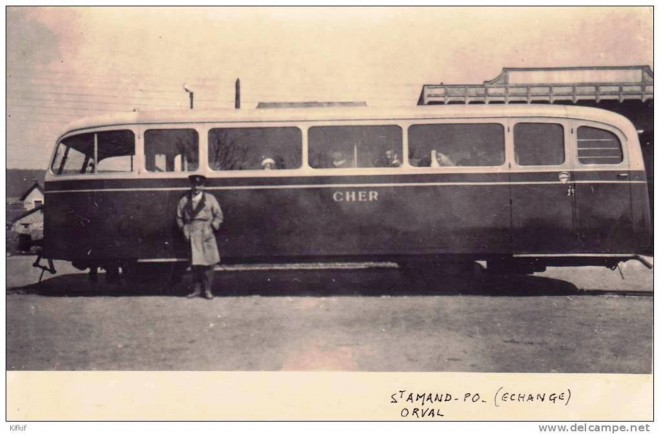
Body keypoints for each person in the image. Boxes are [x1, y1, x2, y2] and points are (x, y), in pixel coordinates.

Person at [176, 174, 223, 300]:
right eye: (194, 185)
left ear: (203, 185)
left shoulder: (210, 199)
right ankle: (196, 290)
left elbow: (219, 216)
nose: (196, 187)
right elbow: (179, 217)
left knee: (209, 264)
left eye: (199, 185)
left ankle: (207, 290)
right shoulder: (185, 200)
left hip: (206, 232)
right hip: (192, 232)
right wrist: (184, 229)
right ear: (191, 185)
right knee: (195, 264)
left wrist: (212, 227)